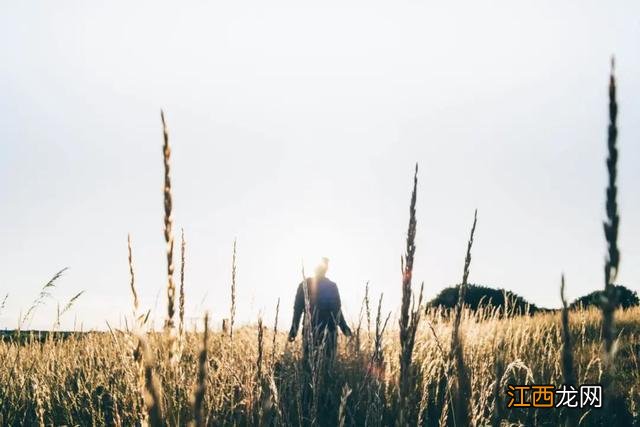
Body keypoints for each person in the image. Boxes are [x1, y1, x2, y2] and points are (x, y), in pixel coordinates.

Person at [288, 257, 352, 360]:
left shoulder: (305, 284)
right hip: (327, 331)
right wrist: (344, 328)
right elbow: (337, 311)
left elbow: (297, 309)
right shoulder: (331, 286)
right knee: (325, 365)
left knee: (310, 364)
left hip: (314, 331)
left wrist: (294, 330)